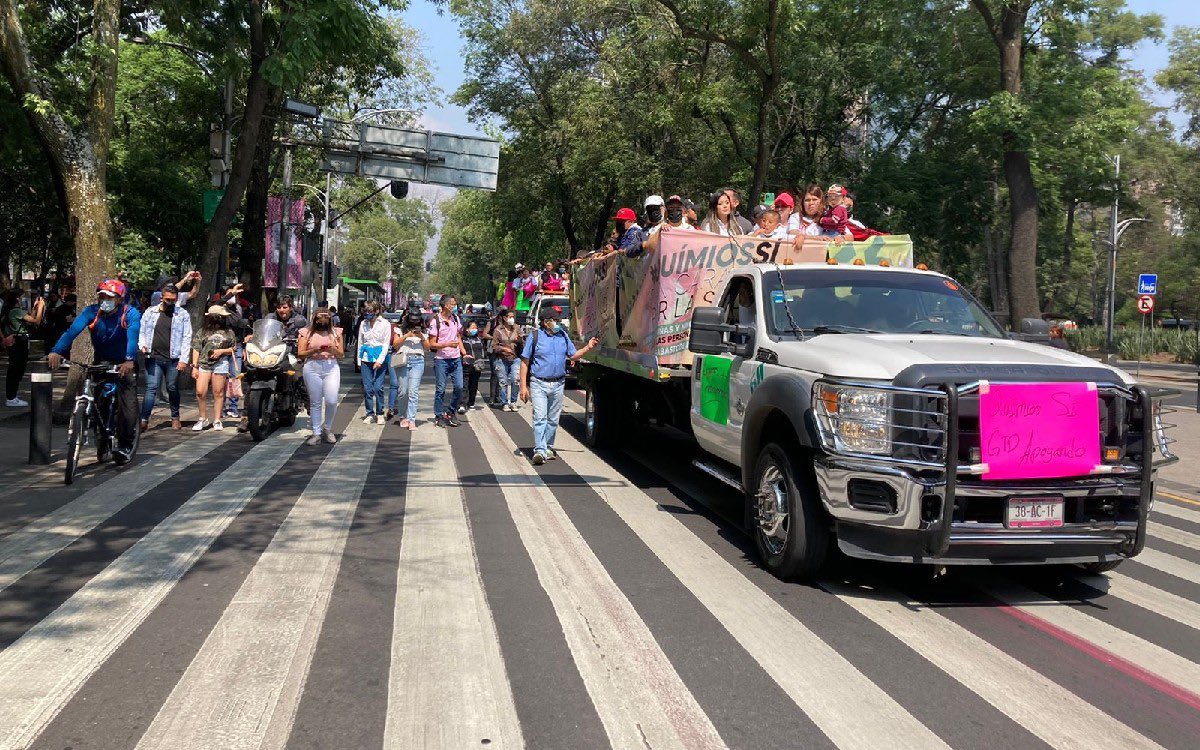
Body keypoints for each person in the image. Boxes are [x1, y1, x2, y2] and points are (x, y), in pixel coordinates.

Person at [48, 280, 142, 463]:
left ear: (119, 299)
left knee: (128, 407)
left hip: (124, 363)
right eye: (102, 297)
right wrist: (57, 351)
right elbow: (72, 331)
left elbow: (133, 336)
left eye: (109, 297)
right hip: (102, 361)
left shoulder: (130, 313)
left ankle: (125, 445)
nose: (104, 300)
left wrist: (129, 360)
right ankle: (101, 440)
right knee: (99, 401)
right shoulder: (91, 312)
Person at [519, 307, 598, 465]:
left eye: (558, 320)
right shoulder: (535, 336)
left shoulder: (563, 335)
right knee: (540, 417)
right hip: (539, 383)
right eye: (554, 320)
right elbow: (524, 362)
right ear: (545, 322)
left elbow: (573, 355)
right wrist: (523, 386)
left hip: (558, 384)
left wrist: (588, 347)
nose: (557, 323)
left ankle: (548, 447)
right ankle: (539, 450)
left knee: (553, 419)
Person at [137, 283, 191, 430]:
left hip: (173, 358)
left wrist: (183, 359)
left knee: (172, 387)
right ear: (161, 298)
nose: (170, 302)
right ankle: (143, 420)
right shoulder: (150, 312)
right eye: (167, 299)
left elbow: (187, 337)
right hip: (153, 356)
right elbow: (142, 331)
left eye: (173, 300)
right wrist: (142, 345)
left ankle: (175, 417)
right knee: (151, 388)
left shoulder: (182, 314)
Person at [297, 307, 344, 445]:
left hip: (331, 366)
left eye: (325, 318)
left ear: (330, 319)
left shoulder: (336, 332)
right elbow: (300, 353)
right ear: (314, 319)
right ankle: (316, 432)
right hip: (312, 366)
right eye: (319, 318)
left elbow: (341, 354)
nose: (322, 321)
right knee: (315, 401)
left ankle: (328, 429)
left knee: (332, 400)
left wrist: (333, 349)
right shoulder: (306, 333)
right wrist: (314, 350)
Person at [189, 305, 237, 431]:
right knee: (200, 391)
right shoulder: (202, 332)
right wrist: (194, 366)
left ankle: (217, 419)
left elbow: (233, 348)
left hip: (220, 363)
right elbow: (196, 348)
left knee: (218, 392)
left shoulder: (229, 332)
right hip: (204, 363)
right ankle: (202, 418)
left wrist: (222, 351)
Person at [2, 289, 46, 407]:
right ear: (16, 299)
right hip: (19, 342)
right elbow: (36, 321)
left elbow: (30, 319)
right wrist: (41, 307)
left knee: (17, 369)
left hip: (19, 341)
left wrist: (35, 308)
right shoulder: (16, 311)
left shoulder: (12, 311)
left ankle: (12, 396)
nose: (22, 299)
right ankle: (11, 397)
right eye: (21, 297)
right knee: (17, 369)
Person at [428, 294, 466, 427]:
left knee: (459, 387)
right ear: (445, 305)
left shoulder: (456, 318)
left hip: (456, 359)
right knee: (440, 389)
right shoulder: (435, 321)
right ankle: (438, 415)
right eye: (453, 304)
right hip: (441, 360)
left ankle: (451, 412)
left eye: (455, 304)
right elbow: (432, 344)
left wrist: (464, 352)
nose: (455, 306)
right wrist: (447, 344)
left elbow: (458, 337)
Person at [356, 300, 391, 424]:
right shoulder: (363, 323)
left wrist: (380, 360)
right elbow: (360, 342)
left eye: (370, 311)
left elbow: (386, 344)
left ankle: (380, 412)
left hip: (380, 357)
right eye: (365, 311)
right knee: (367, 388)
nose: (367, 313)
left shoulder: (385, 324)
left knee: (378, 387)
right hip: (366, 358)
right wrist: (359, 361)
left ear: (376, 311)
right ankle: (370, 413)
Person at [394, 309, 428, 430]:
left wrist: (421, 337)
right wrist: (406, 335)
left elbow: (428, 348)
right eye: (413, 320)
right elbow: (395, 345)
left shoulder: (423, 330)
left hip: (418, 360)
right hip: (403, 360)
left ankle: (411, 419)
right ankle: (403, 416)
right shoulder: (399, 329)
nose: (415, 323)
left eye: (417, 320)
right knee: (403, 391)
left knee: (413, 392)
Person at [491, 307, 523, 411]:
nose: (512, 319)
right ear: (504, 318)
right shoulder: (498, 330)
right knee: (503, 381)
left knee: (515, 379)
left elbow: (523, 344)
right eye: (510, 317)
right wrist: (503, 349)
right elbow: (494, 346)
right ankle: (504, 402)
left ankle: (513, 402)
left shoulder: (517, 328)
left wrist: (520, 340)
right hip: (501, 359)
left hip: (515, 358)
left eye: (513, 317)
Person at [460, 319, 487, 412]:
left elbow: (483, 351)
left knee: (474, 385)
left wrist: (481, 359)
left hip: (477, 366)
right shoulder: (462, 339)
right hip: (465, 365)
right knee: (464, 384)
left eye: (476, 327)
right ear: (467, 329)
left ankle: (471, 403)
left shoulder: (479, 339)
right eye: (472, 328)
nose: (475, 329)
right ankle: (462, 404)